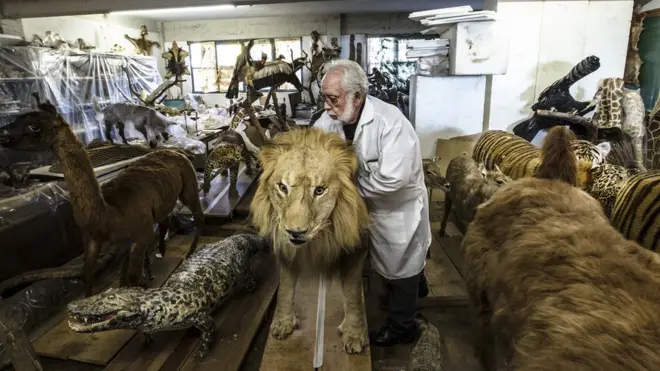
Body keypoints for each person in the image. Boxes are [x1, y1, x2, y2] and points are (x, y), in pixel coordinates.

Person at [312, 59, 432, 346]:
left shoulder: (391, 123)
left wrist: (345, 190)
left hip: (396, 206)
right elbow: (313, 149)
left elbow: (393, 180)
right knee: (387, 259)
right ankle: (418, 285)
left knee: (401, 259)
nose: (328, 106)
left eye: (333, 99)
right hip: (368, 204)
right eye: (324, 98)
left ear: (358, 95)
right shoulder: (329, 120)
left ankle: (403, 327)